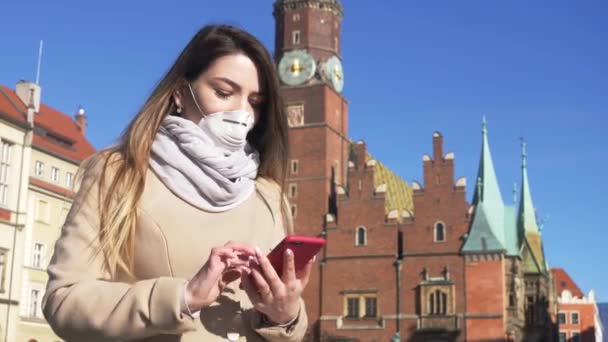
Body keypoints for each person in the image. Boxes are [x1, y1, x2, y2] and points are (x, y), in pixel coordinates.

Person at [42, 25, 311, 342]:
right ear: (180, 94)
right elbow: (64, 300)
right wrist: (181, 297)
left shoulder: (268, 195)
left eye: (254, 101)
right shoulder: (119, 174)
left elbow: (285, 323)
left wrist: (284, 316)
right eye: (224, 93)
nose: (242, 113)